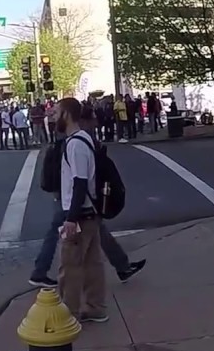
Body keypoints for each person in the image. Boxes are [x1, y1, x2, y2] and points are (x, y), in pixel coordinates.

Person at [30, 103, 146, 291]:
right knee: (67, 241)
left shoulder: (72, 137)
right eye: (93, 119)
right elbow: (79, 178)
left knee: (97, 231)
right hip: (70, 197)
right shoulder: (73, 139)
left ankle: (122, 266)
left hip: (71, 196)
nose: (96, 122)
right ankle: (42, 273)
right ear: (83, 119)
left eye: (56, 112)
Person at [53, 97, 108, 321]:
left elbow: (80, 182)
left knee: (70, 267)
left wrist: (71, 219)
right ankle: (95, 308)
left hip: (80, 215)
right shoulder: (85, 139)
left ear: (66, 114)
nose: (53, 117)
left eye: (56, 113)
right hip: (90, 213)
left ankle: (68, 314)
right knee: (92, 264)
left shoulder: (75, 144)